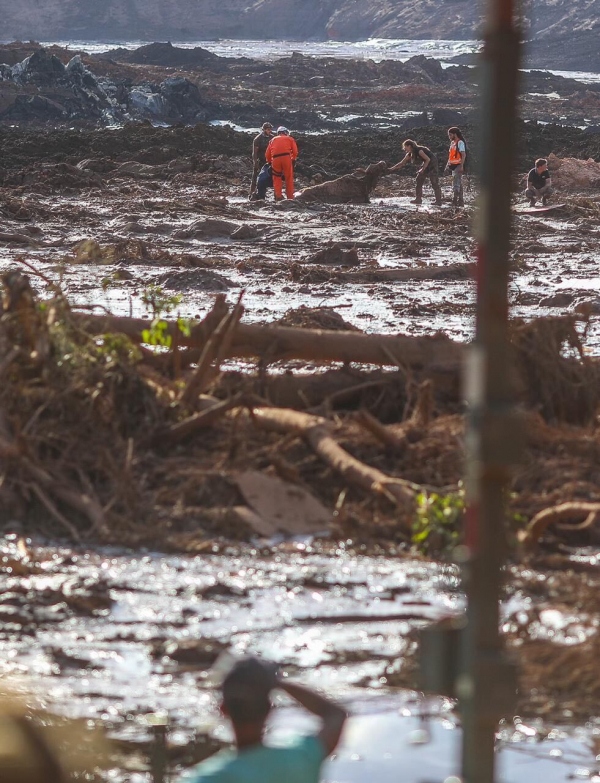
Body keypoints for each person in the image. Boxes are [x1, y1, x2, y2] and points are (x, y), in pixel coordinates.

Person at [191, 657, 347, 783]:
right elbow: (335, 714)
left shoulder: (205, 778)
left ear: (223, 710)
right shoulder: (300, 759)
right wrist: (276, 682)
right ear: (270, 709)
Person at [389, 139, 442, 206]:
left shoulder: (419, 151)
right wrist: (391, 169)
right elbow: (401, 163)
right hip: (426, 164)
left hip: (432, 163)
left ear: (409, 146)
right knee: (419, 180)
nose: (404, 149)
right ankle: (418, 199)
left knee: (434, 182)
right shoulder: (410, 154)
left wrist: (422, 169)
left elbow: (428, 159)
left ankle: (438, 201)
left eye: (405, 147)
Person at [266, 127, 299, 201]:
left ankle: (278, 196)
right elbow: (295, 151)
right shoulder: (290, 139)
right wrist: (293, 159)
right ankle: (290, 197)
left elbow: (267, 154)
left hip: (275, 159)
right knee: (288, 177)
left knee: (276, 178)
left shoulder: (272, 140)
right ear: (285, 132)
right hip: (286, 158)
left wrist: (269, 162)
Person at [250, 122, 274, 198]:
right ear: (263, 129)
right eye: (268, 129)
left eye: (270, 129)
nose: (269, 131)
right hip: (260, 161)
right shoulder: (258, 139)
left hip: (269, 161)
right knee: (256, 177)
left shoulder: (272, 138)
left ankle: (266, 194)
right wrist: (255, 162)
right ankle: (252, 193)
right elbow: (255, 152)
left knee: (270, 178)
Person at [445, 127, 467, 207]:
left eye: (450, 135)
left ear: (455, 134)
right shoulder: (452, 143)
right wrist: (447, 166)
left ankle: (455, 201)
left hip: (458, 165)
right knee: (458, 183)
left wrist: (461, 166)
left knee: (455, 183)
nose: (449, 137)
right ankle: (461, 201)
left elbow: (463, 155)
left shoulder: (460, 143)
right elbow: (450, 156)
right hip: (453, 165)